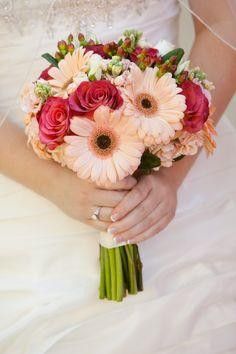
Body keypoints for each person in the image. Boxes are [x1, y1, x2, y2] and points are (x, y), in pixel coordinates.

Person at [0, 1, 235, 353]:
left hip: (181, 174)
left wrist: (171, 172)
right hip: (25, 188)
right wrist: (53, 183)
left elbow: (224, 22)